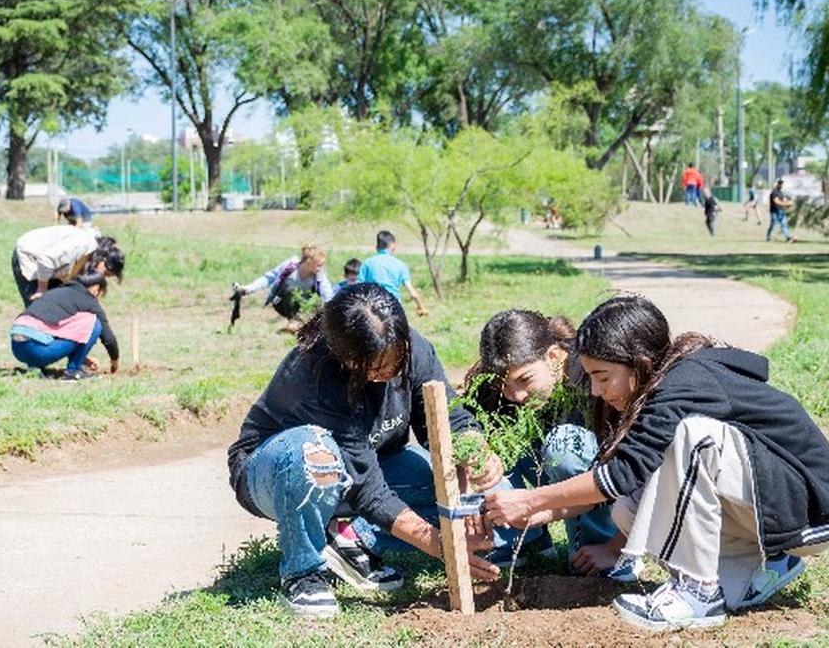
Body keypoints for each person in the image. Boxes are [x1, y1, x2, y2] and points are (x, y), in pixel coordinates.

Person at [484, 296, 829, 632]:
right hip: (768, 511)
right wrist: (541, 514)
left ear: (640, 363)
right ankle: (767, 563)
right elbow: (622, 482)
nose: (595, 391)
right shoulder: (654, 388)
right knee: (630, 508)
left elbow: (619, 474)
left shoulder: (684, 381)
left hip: (811, 509)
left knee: (693, 436)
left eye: (602, 377)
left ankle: (697, 592)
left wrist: (532, 501)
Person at [227, 284, 513, 618]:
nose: (390, 373)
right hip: (276, 473)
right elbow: (367, 488)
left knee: (465, 490)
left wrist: (473, 448)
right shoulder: (317, 371)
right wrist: (440, 545)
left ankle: (350, 538)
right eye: (376, 369)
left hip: (366, 466)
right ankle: (303, 573)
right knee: (314, 457)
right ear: (346, 358)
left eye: (396, 362)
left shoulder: (413, 350)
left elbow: (448, 417)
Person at [462, 309, 640, 582]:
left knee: (564, 446)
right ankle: (521, 537)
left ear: (554, 357)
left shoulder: (596, 377)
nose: (516, 395)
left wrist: (617, 545)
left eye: (525, 380)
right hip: (547, 482)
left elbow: (635, 469)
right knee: (495, 441)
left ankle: (597, 550)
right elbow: (465, 430)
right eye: (506, 386)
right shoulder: (501, 392)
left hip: (602, 484)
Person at [9, 267, 120, 381]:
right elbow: (108, 337)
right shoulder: (89, 300)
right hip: (38, 350)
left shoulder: (57, 292)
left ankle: (35, 366)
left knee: (47, 327)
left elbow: (60, 333)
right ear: (96, 289)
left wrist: (84, 359)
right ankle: (74, 370)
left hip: (17, 347)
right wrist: (115, 361)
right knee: (94, 322)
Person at [12, 226, 124, 307]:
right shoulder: (81, 246)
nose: (100, 276)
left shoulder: (91, 254)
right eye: (104, 273)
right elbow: (46, 259)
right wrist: (42, 289)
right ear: (103, 260)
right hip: (31, 257)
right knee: (39, 307)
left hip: (49, 267)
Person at [233, 244, 335, 321]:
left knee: (318, 304)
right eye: (318, 265)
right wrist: (248, 289)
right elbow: (269, 278)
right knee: (291, 291)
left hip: (304, 306)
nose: (321, 268)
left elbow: (327, 293)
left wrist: (332, 310)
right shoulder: (290, 266)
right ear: (308, 261)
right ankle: (293, 321)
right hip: (281, 303)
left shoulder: (319, 275)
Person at [358, 231, 429, 317]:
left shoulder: (367, 263)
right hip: (393, 308)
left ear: (376, 247)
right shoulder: (400, 265)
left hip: (372, 308)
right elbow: (413, 293)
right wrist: (421, 307)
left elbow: (359, 288)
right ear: (393, 245)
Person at [765, 178, 793, 242]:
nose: (781, 184)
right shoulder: (774, 192)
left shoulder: (781, 192)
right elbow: (777, 201)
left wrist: (789, 203)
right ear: (777, 184)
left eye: (782, 183)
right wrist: (787, 203)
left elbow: (784, 200)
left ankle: (788, 237)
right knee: (773, 224)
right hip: (774, 211)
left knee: (784, 224)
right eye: (779, 183)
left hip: (781, 211)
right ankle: (768, 237)